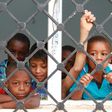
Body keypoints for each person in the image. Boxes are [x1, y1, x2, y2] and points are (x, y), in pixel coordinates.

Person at [62, 10, 96, 99]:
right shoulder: (56, 85)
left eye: (70, 62)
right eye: (62, 60)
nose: (64, 65)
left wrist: (84, 31)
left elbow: (77, 68)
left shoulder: (64, 85)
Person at [70, 35, 112, 100]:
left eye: (103, 54)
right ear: (86, 58)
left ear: (110, 59)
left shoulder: (111, 71)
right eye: (93, 54)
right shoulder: (82, 73)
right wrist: (81, 86)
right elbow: (74, 98)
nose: (98, 58)